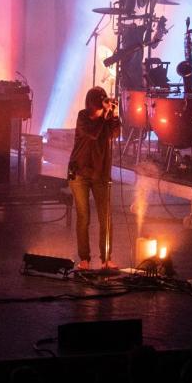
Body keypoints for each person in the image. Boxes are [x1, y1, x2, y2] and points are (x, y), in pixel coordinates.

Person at [68, 86, 121, 270]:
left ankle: (106, 258)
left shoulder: (105, 119)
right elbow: (93, 133)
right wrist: (105, 114)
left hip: (100, 173)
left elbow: (115, 132)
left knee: (105, 217)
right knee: (84, 217)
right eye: (100, 101)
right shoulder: (83, 117)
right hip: (79, 173)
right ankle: (85, 259)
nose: (103, 104)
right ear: (91, 104)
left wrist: (113, 115)